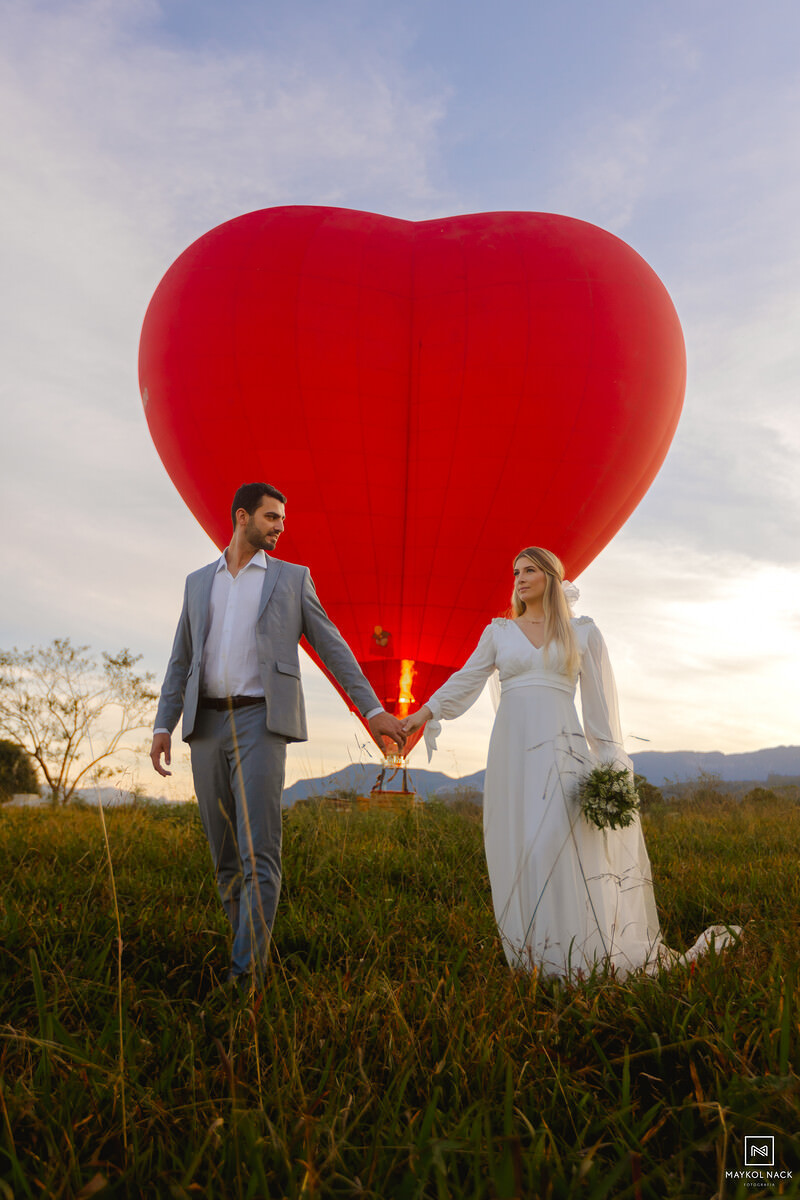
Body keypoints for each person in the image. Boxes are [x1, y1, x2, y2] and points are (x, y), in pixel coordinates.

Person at [402, 547, 738, 979]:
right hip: (511, 753)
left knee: (556, 847)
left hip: (565, 752)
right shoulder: (499, 632)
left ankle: (580, 956)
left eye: (529, 570)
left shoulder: (583, 633)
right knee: (520, 850)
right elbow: (466, 679)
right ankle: (535, 960)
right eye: (515, 571)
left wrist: (612, 768)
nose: (519, 578)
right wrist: (421, 714)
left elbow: (599, 714)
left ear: (552, 577)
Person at [150, 482, 405, 986]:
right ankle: (249, 945)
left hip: (261, 722)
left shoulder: (292, 579)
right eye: (271, 518)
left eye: (283, 520)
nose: (280, 527)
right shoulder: (199, 582)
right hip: (204, 725)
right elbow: (182, 658)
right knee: (223, 855)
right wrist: (164, 723)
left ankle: (246, 979)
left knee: (258, 852)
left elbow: (332, 646)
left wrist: (373, 709)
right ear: (242, 517)